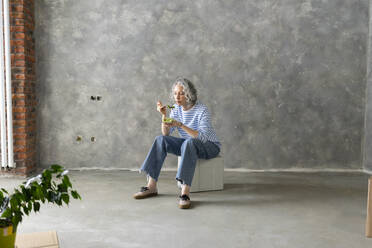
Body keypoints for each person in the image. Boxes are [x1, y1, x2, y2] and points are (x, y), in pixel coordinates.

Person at [133, 77, 221, 209]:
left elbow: (202, 137)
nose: (177, 97)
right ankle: (151, 186)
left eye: (181, 93)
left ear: (189, 94)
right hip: (189, 144)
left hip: (209, 146)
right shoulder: (176, 108)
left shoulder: (202, 109)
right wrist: (164, 116)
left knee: (189, 142)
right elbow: (166, 134)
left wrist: (181, 125)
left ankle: (185, 193)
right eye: (175, 93)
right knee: (160, 140)